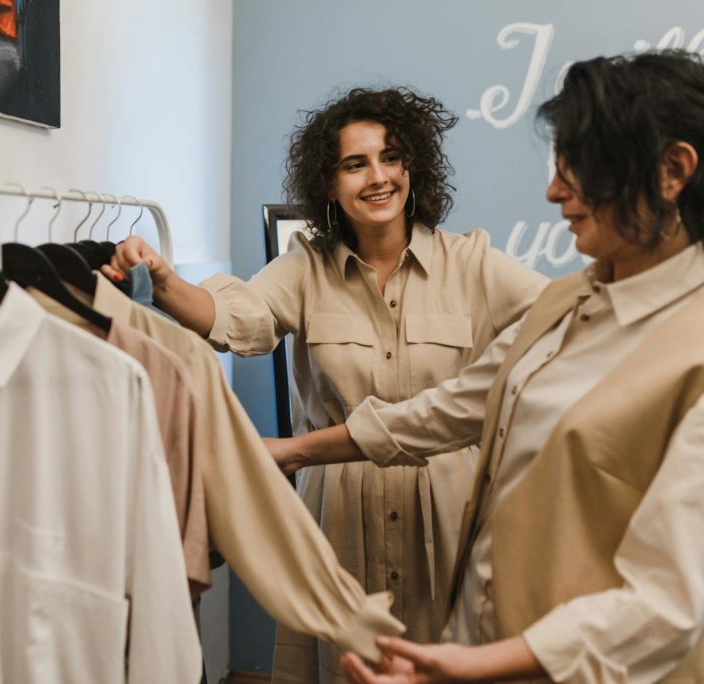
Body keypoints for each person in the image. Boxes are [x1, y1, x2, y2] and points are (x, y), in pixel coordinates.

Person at [264, 52, 704, 683]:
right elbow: (446, 410)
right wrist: (295, 452)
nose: (555, 191)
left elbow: (663, 604)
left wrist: (477, 666)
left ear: (674, 171)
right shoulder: (567, 305)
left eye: (579, 166)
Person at [104, 87, 547, 682]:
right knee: (342, 667)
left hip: (447, 515)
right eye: (355, 164)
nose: (378, 177)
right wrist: (160, 280)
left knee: (444, 662)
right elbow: (236, 318)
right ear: (329, 183)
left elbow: (559, 320)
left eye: (391, 157)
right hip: (338, 514)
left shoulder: (472, 264)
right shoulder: (305, 269)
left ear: (412, 167)